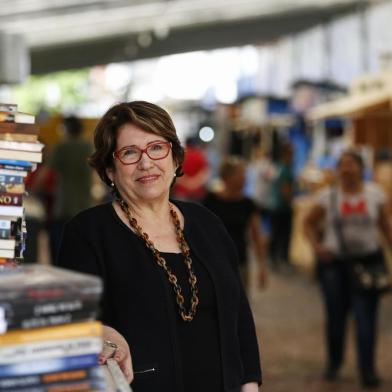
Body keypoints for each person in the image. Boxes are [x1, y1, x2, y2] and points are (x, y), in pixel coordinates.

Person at [55, 101, 262, 392]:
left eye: (156, 148)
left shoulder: (207, 224)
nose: (146, 162)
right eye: (129, 153)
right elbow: (70, 322)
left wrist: (249, 384)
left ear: (175, 158)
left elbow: (239, 314)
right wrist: (101, 333)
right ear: (110, 170)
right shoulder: (88, 233)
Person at [304, 150, 392, 388]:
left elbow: (385, 226)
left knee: (366, 320)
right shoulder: (328, 196)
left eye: (351, 164)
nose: (346, 169)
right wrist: (317, 247)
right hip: (335, 266)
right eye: (342, 165)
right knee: (336, 318)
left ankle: (368, 369)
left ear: (361, 168)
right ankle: (334, 362)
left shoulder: (375, 194)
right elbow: (308, 223)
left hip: (367, 262)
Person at [33, 116, 93, 262]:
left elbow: (45, 172)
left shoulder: (62, 147)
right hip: (85, 206)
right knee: (82, 251)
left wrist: (32, 191)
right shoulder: (88, 147)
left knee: (60, 251)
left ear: (66, 129)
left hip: (64, 206)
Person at [203, 156, 267, 290]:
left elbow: (257, 236)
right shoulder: (210, 201)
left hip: (239, 262)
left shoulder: (248, 204)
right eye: (241, 174)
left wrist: (262, 266)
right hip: (213, 263)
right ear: (228, 177)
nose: (245, 178)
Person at [269, 142, 294, 271]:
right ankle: (282, 259)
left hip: (274, 205)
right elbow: (285, 189)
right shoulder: (285, 169)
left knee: (275, 233)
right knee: (283, 234)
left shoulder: (278, 166)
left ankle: (273, 258)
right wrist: (290, 202)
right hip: (282, 207)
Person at [172, 136, 210, 202]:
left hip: (181, 192)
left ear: (186, 143)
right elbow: (205, 173)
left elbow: (175, 172)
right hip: (197, 193)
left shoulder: (180, 156)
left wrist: (187, 183)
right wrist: (194, 183)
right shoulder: (200, 155)